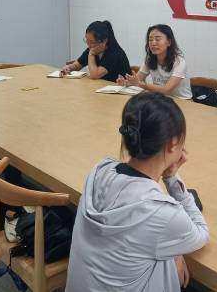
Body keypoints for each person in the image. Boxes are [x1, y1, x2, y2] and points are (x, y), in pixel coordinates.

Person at [65, 92, 209, 292]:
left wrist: (172, 249)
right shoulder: (162, 213)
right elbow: (201, 234)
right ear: (173, 143)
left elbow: (145, 231)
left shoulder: (100, 170)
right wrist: (171, 178)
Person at [118, 24, 192, 99]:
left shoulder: (179, 62)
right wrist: (126, 83)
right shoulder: (149, 59)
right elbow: (137, 80)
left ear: (169, 42)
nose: (153, 43)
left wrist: (141, 85)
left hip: (182, 101)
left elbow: (166, 90)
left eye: (157, 39)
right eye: (150, 40)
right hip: (161, 99)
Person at [61, 20, 131, 81]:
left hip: (120, 89)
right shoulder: (92, 48)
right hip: (101, 87)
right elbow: (77, 65)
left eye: (92, 42)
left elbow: (94, 75)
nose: (89, 45)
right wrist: (69, 68)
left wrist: (91, 54)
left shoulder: (115, 53)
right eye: (87, 40)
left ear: (104, 41)